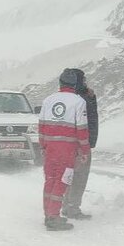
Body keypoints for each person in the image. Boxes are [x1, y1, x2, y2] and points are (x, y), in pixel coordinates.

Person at [38, 69, 91, 231]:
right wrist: (85, 150)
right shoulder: (78, 101)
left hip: (50, 148)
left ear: (60, 83)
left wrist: (43, 146)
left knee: (50, 179)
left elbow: (41, 126)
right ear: (74, 85)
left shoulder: (48, 100)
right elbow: (82, 129)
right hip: (67, 149)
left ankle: (48, 214)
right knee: (62, 181)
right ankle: (54, 218)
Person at [62, 69, 98, 220]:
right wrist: (86, 145)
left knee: (69, 175)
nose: (85, 82)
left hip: (71, 143)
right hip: (80, 144)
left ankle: (66, 205)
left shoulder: (70, 98)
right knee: (79, 176)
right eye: (83, 80)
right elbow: (85, 124)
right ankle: (72, 208)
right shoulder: (81, 99)